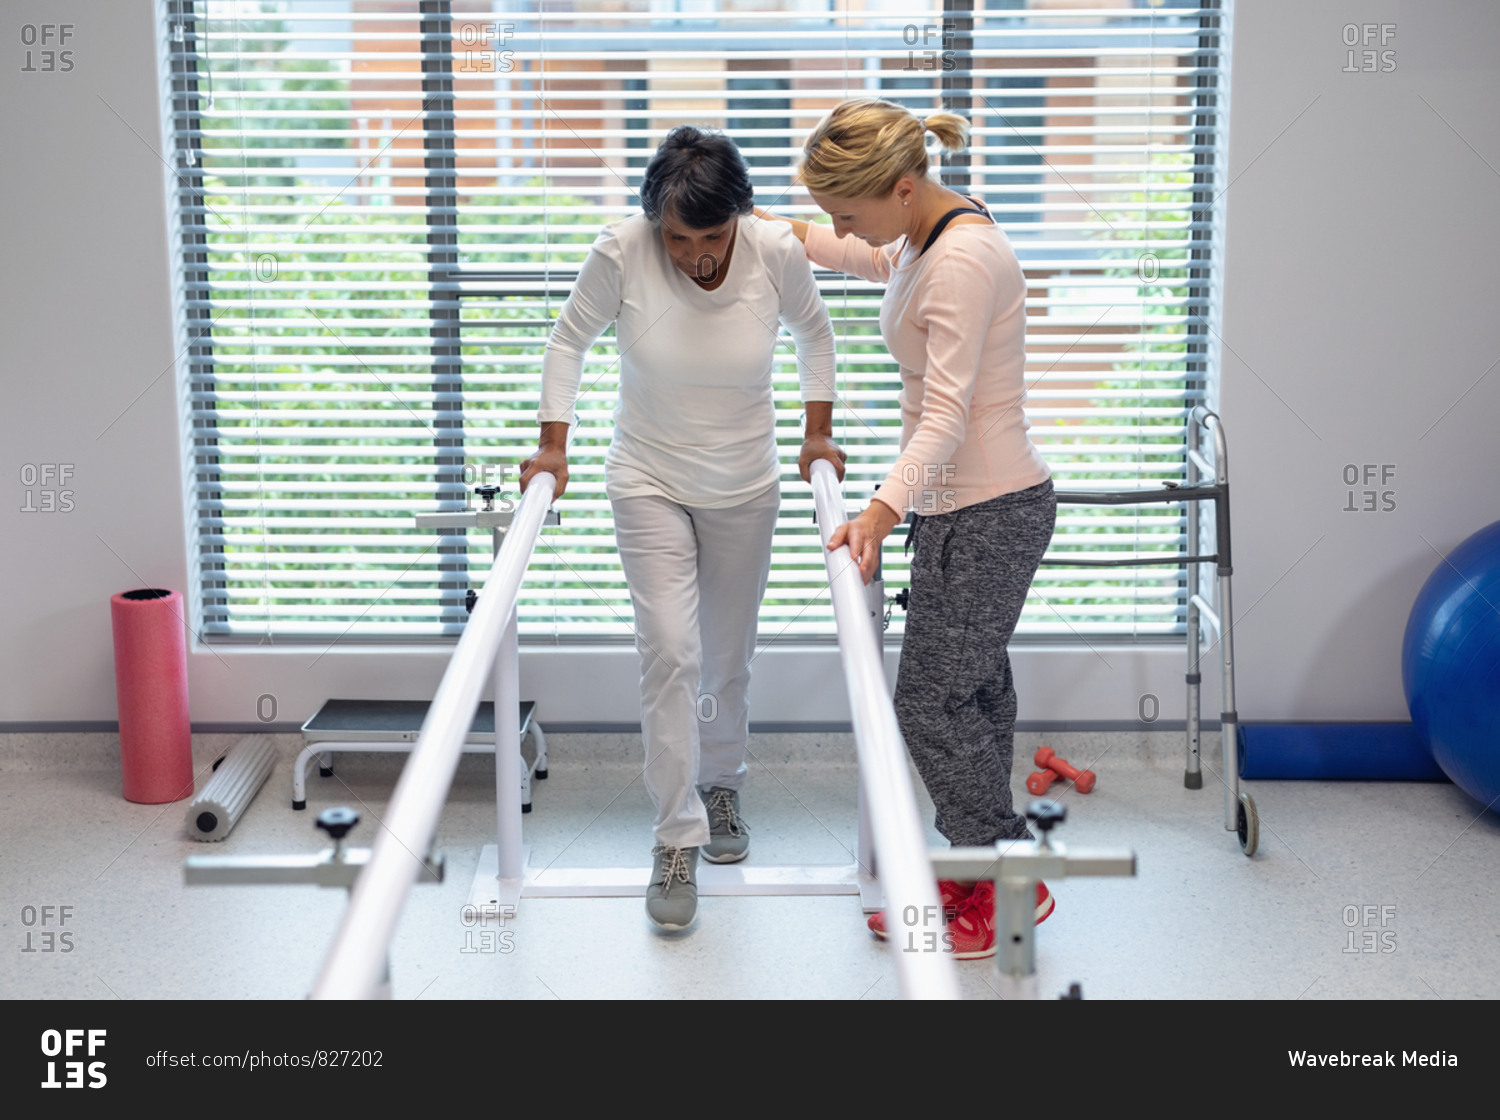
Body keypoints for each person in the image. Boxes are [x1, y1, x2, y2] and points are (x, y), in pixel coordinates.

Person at [519, 126, 844, 932]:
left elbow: (817, 338)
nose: (695, 255)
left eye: (711, 237)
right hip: (648, 479)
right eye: (678, 238)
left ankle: (722, 783)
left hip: (746, 484)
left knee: (725, 657)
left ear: (738, 217)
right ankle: (675, 837)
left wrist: (816, 433)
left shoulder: (775, 251)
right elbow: (569, 341)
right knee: (671, 652)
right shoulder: (622, 251)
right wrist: (551, 449)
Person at [757, 98, 1057, 958]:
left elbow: (947, 416)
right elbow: (879, 255)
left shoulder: (962, 258)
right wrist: (786, 231)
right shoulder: (930, 229)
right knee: (976, 694)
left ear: (900, 186)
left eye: (845, 210)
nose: (839, 226)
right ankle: (981, 860)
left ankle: (1006, 881)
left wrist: (880, 511)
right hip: (965, 507)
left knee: (929, 703)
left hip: (987, 508)